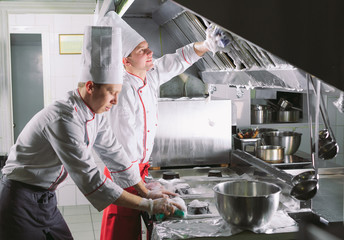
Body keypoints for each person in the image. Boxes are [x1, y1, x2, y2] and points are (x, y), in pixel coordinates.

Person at [0, 25, 180, 240]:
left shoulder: (95, 114)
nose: (115, 100)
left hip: (47, 199)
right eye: (111, 93)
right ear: (90, 86)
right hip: (20, 199)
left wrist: (145, 191)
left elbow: (116, 155)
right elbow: (91, 179)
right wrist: (148, 205)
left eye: (118, 93)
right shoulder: (64, 119)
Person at [97, 5, 229, 240]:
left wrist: (207, 45)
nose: (150, 53)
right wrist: (146, 192)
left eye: (148, 47)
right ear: (125, 60)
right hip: (121, 175)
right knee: (119, 233)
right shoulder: (122, 91)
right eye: (141, 50)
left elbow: (178, 59)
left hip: (139, 172)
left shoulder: (150, 74)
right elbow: (122, 150)